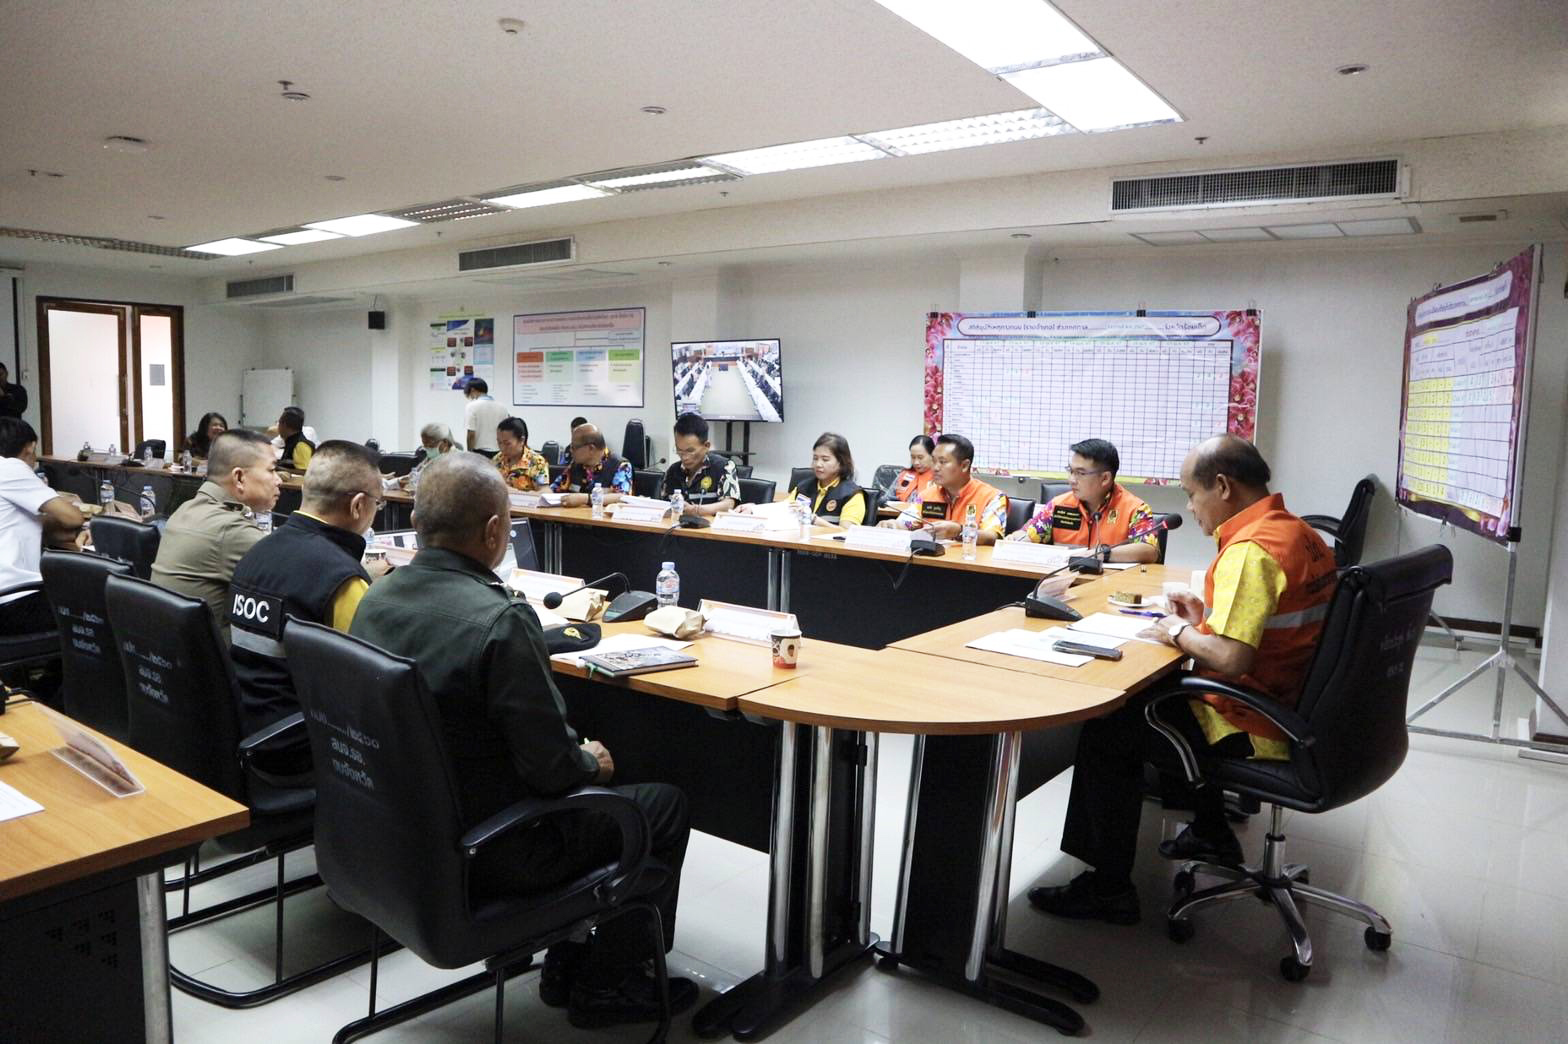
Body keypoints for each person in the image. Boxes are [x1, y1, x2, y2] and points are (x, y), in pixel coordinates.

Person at [350, 453, 696, 1026]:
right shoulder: (501, 620)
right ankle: (608, 984)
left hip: (398, 832)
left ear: (418, 522)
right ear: (494, 532)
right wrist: (592, 762)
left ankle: (567, 957)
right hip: (499, 849)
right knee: (662, 804)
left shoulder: (376, 597)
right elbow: (553, 771)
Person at [1027, 435, 1337, 926]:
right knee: (1157, 699)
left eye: (1192, 495)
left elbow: (1231, 658)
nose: (1190, 508)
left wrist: (1177, 630)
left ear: (1223, 486)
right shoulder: (1299, 533)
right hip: (1295, 702)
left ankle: (1109, 888)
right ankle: (1212, 831)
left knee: (1110, 729)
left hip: (1255, 721)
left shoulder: (1251, 550)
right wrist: (1203, 621)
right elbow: (1270, 625)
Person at [229, 441, 388, 750]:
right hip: (303, 748)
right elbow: (367, 688)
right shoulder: (343, 581)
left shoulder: (256, 553)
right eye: (377, 504)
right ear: (358, 506)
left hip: (245, 729)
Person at [151, 431, 280, 642]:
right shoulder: (230, 529)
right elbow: (295, 581)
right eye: (272, 470)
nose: (278, 480)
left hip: (171, 650)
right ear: (239, 478)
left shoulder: (185, 509)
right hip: (211, 658)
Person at [1006, 438, 1160, 563]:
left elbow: (1149, 550)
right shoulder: (1058, 505)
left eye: (1080, 473)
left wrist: (1101, 554)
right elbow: (1029, 535)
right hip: (1064, 583)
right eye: (1070, 471)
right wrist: (1016, 540)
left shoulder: (1134, 509)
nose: (1072, 480)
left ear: (1105, 478)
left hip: (1112, 586)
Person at [0, 417, 85, 634]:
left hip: (7, 602)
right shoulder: (11, 468)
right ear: (30, 447)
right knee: (95, 602)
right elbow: (73, 517)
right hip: (15, 602)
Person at [882, 433, 1007, 544]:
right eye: (934, 461)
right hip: (931, 560)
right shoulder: (927, 495)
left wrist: (959, 531)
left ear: (964, 465)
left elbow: (992, 537)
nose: (935, 468)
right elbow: (907, 522)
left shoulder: (992, 497)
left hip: (969, 561)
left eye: (942, 462)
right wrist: (893, 525)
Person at [663, 413, 738, 517]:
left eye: (690, 451)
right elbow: (663, 505)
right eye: (679, 450)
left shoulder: (724, 466)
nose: (684, 457)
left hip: (709, 525)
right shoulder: (673, 471)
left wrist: (696, 510)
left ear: (706, 446)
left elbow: (729, 504)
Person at [787, 432, 867, 526]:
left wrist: (813, 519)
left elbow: (846, 532)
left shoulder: (852, 494)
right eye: (815, 458)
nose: (818, 464)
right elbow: (783, 513)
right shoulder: (802, 487)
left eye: (825, 459)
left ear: (841, 462)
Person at [551, 422, 632, 507]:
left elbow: (623, 497)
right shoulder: (575, 465)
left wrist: (585, 499)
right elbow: (554, 489)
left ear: (591, 448)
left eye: (574, 447)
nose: (570, 450)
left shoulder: (621, 465)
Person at [493, 416, 550, 492]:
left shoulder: (537, 462)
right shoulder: (497, 459)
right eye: (499, 443)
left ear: (521, 440)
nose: (502, 448)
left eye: (507, 444)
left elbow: (545, 491)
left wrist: (516, 492)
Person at [463, 378, 510, 453]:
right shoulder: (503, 407)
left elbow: (471, 435)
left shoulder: (471, 406)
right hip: (499, 451)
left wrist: (470, 453)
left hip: (479, 453)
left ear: (472, 390)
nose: (470, 397)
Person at [890, 435, 934, 501]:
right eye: (913, 457)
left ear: (932, 455)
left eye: (920, 457)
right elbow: (887, 498)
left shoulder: (939, 479)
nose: (916, 462)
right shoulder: (904, 475)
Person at [276, 406, 314, 471]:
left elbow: (304, 472)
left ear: (284, 425)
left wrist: (278, 469)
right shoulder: (291, 442)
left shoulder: (301, 445)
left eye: (279, 422)